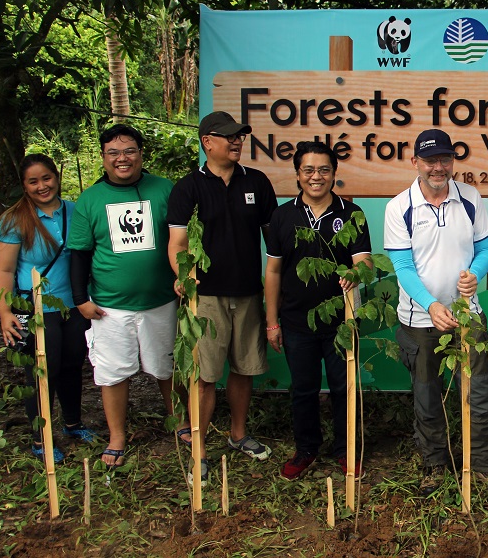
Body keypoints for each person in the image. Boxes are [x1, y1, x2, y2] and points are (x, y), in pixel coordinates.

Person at [384, 129, 488, 495]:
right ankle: (434, 466)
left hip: (468, 315)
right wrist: (432, 305)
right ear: (415, 163)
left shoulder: (470, 197)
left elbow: (486, 250)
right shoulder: (399, 207)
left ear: (452, 162)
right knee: (427, 395)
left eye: (444, 160)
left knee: (480, 393)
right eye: (429, 161)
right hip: (420, 320)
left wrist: (475, 274)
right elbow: (403, 267)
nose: (438, 168)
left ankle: (485, 466)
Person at [167, 111, 277, 482]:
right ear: (206, 141)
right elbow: (178, 244)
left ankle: (238, 434)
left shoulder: (257, 183)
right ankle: (198, 450)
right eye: (228, 137)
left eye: (240, 137)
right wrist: (184, 276)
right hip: (207, 298)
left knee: (245, 368)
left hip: (247, 293)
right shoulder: (188, 188)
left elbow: (274, 241)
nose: (236, 142)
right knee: (204, 376)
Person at [68, 124, 179, 469]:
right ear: (103, 157)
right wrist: (79, 298)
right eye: (113, 153)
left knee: (168, 367)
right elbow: (79, 253)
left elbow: (184, 239)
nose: (122, 159)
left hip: (161, 301)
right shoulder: (90, 199)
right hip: (109, 307)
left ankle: (181, 422)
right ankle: (117, 436)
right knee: (113, 373)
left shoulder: (164, 189)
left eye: (129, 151)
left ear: (141, 154)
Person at [264, 141, 372, 480]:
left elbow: (365, 263)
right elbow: (274, 272)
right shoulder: (282, 216)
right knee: (304, 389)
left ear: (334, 174)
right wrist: (271, 322)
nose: (316, 177)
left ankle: (346, 449)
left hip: (342, 321)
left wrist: (356, 273)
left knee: (344, 388)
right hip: (296, 321)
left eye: (324, 170)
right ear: (297, 174)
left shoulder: (351, 214)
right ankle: (306, 449)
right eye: (308, 170)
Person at [0, 154, 94, 462]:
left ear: (57, 176)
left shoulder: (75, 210)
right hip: (35, 307)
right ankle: (41, 439)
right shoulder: (14, 220)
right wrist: (5, 312)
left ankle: (73, 424)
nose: (42, 186)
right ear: (24, 186)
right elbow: (4, 271)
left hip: (73, 305)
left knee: (71, 365)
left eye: (46, 178)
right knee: (40, 373)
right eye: (33, 181)